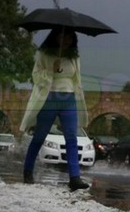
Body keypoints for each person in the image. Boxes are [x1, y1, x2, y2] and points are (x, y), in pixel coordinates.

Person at [20, 27, 90, 191]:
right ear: (55, 37)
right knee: (39, 136)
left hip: (69, 99)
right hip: (49, 98)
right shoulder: (43, 54)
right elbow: (36, 77)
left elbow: (76, 79)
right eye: (63, 36)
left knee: (71, 137)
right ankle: (28, 171)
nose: (66, 40)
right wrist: (51, 70)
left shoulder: (74, 57)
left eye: (70, 37)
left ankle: (74, 177)